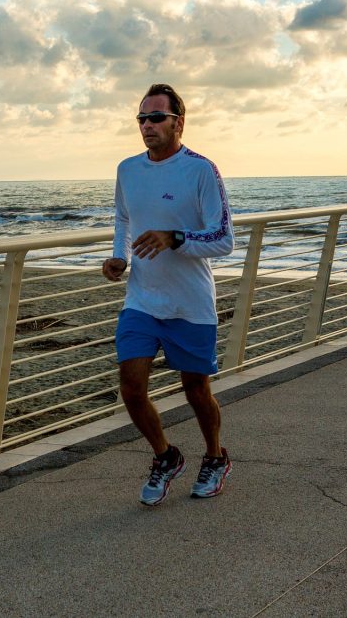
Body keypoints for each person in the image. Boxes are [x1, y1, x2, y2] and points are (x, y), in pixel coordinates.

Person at [102, 83, 234, 506]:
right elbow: (124, 218)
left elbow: (224, 239)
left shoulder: (200, 170)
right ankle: (166, 456)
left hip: (190, 302)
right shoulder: (127, 169)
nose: (146, 125)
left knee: (196, 389)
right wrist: (119, 257)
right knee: (132, 387)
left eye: (156, 117)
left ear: (179, 121)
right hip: (142, 298)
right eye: (141, 118)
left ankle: (215, 456)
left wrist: (174, 238)